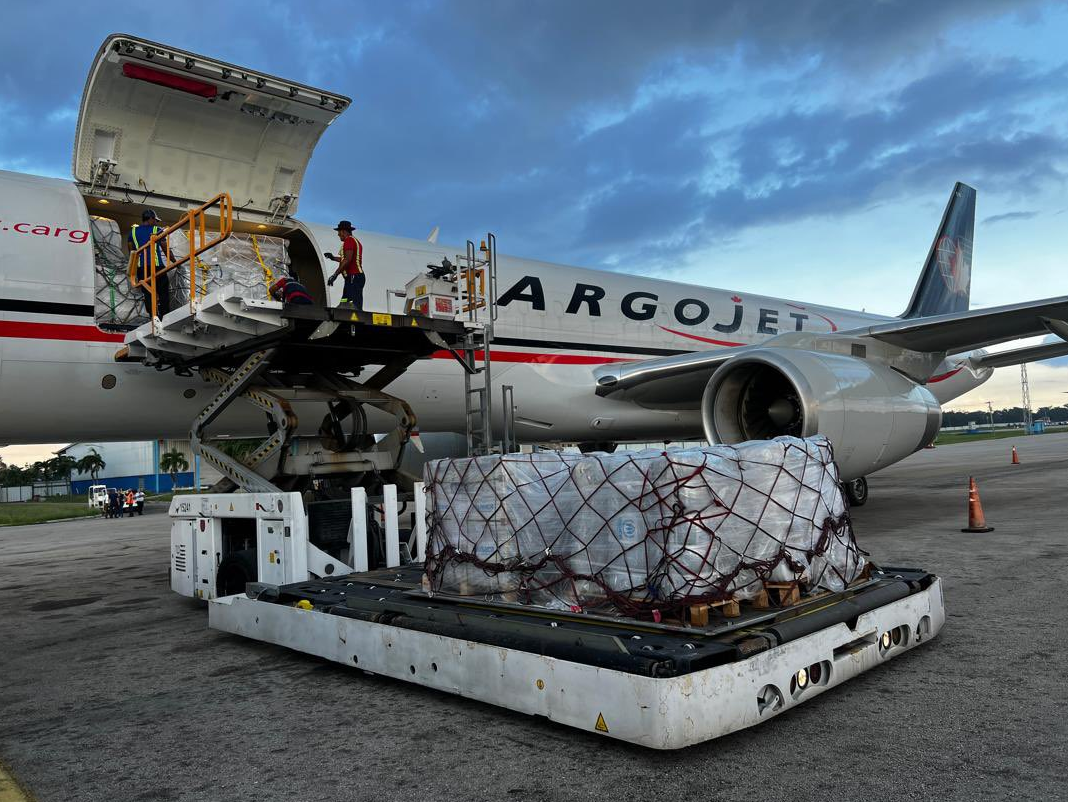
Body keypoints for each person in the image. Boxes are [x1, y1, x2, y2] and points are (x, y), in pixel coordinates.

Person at [128, 209, 171, 318]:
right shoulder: (157, 230)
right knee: (163, 291)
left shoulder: (133, 232)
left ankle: (153, 316)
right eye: (155, 220)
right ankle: (164, 315)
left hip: (141, 268)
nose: (156, 222)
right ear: (151, 218)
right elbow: (165, 248)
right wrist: (175, 262)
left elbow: (131, 251)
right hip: (156, 266)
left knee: (148, 292)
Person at [325, 220, 364, 309]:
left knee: (353, 305)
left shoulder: (349, 240)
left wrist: (335, 275)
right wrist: (333, 258)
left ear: (343, 231)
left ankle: (355, 319)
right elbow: (345, 259)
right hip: (351, 278)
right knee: (345, 302)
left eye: (339, 232)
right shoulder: (352, 241)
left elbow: (347, 260)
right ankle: (342, 314)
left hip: (354, 277)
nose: (338, 234)